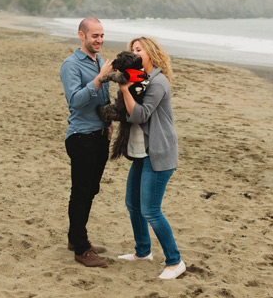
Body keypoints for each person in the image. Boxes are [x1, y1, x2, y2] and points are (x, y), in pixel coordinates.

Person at [116, 37, 185, 280]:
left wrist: (124, 89)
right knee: (132, 203)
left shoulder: (158, 82)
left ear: (151, 54)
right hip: (141, 153)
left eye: (138, 49)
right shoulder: (138, 80)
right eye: (131, 50)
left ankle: (175, 261)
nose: (133, 54)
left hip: (158, 153)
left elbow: (140, 115)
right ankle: (143, 251)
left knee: (151, 210)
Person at [59, 17, 114, 268]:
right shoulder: (71, 65)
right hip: (81, 137)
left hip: (100, 135)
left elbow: (103, 97)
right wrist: (100, 78)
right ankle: (81, 249)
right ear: (81, 35)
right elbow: (75, 101)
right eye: (95, 36)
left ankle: (75, 237)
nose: (99, 40)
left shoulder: (99, 60)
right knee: (80, 192)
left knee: (91, 190)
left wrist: (109, 121)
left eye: (102, 35)